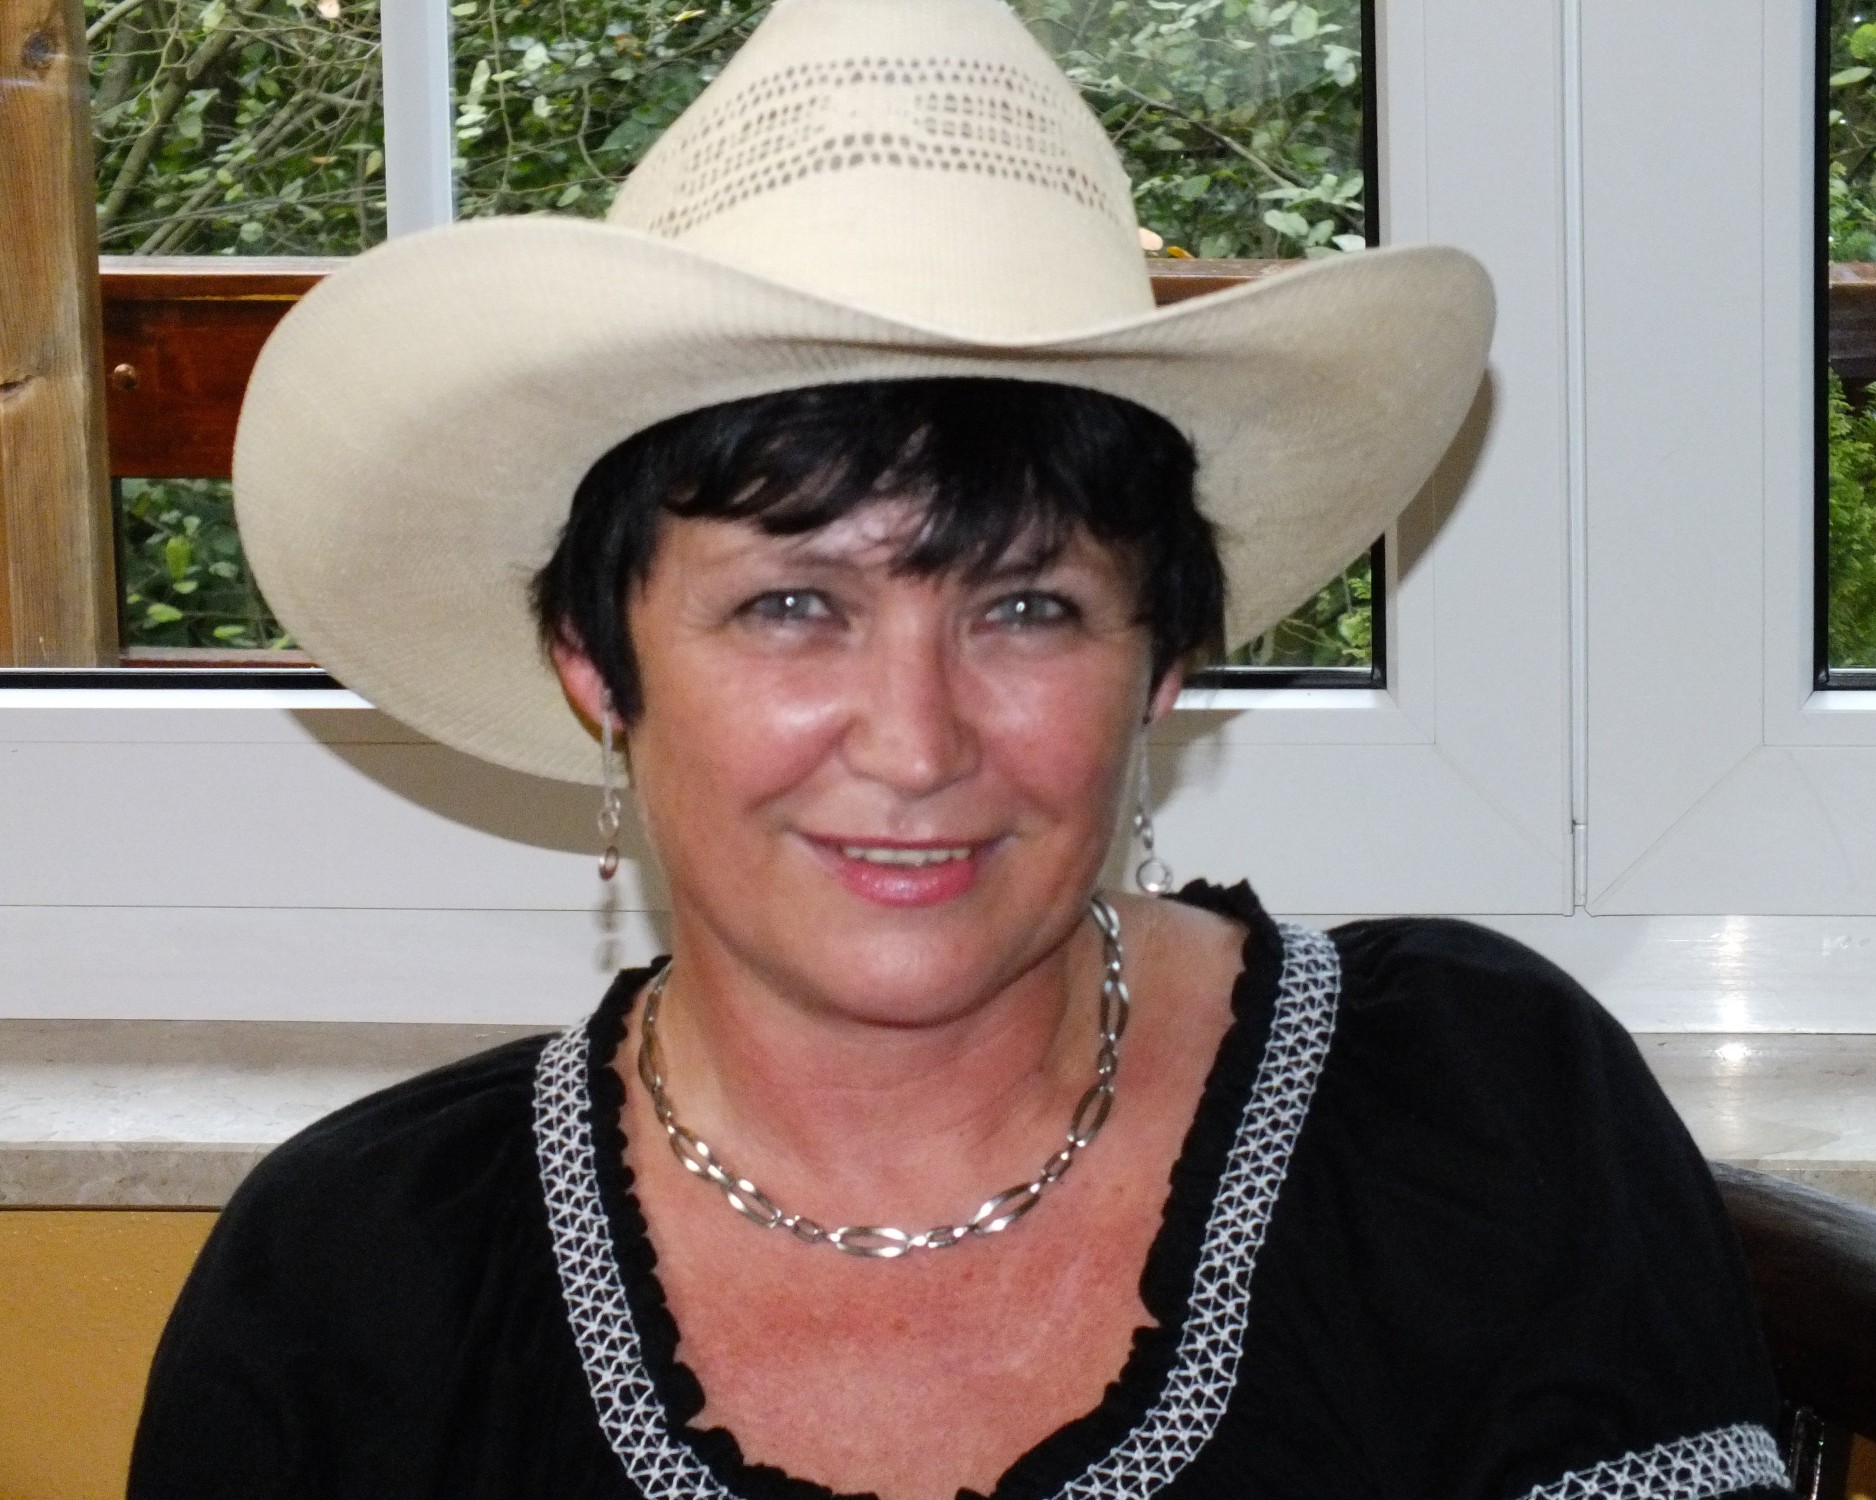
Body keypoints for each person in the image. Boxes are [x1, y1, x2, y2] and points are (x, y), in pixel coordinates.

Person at [128, 0, 1791, 1496]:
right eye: (792, 605)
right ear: (595, 664)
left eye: (1029, 608)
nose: (918, 745)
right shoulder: (354, 1292)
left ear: (1161, 664)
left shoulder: (1474, 1123)